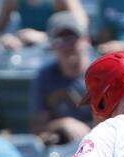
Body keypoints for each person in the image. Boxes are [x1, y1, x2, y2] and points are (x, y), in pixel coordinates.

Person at [29, 12, 94, 145]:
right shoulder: (45, 77)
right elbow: (38, 127)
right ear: (52, 46)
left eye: (72, 38)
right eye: (60, 40)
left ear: (86, 40)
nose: (67, 46)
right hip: (62, 146)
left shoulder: (102, 72)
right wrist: (63, 124)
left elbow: (117, 121)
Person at [0, 0, 88, 51]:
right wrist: (6, 38)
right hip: (25, 53)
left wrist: (44, 37)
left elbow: (81, 26)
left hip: (55, 53)